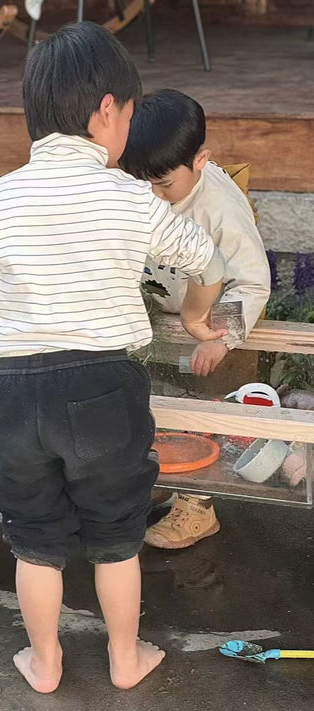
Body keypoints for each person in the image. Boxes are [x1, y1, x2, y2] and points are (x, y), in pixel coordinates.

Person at [0, 22, 227, 693]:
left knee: (34, 537)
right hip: (104, 385)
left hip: (17, 389)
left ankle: (45, 661)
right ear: (107, 110)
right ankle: (124, 657)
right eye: (130, 116)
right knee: (115, 534)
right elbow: (208, 261)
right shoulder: (130, 197)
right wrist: (196, 317)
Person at [120, 89, 271, 550]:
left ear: (200, 160)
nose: (153, 194)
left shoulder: (220, 206)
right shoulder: (144, 185)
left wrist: (219, 338)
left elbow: (251, 283)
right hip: (160, 319)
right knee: (151, 407)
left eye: (164, 185)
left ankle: (198, 507)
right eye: (142, 182)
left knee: (205, 414)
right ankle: (161, 478)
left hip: (214, 323)